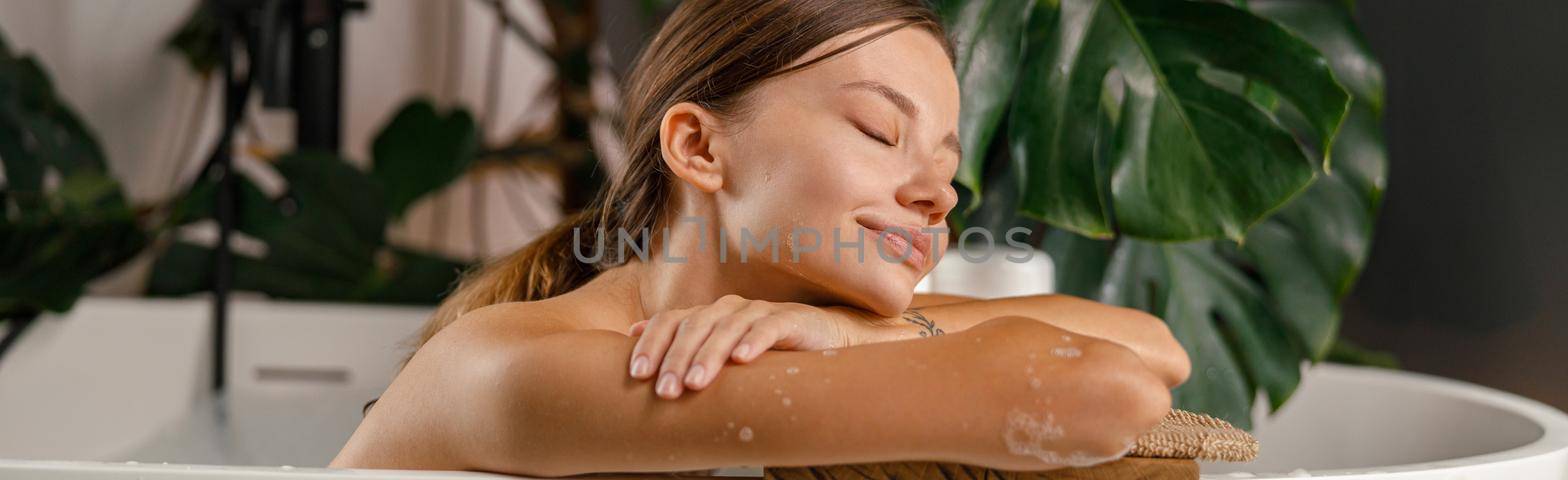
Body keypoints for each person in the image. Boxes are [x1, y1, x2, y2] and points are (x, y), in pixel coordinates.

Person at [329, 0, 1189, 476]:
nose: (938, 195)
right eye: (879, 132)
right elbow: (1105, 396)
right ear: (699, 147)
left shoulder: (792, 319)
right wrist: (874, 339)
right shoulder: (514, 370)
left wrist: (859, 331)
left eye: (947, 162)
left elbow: (1157, 351)